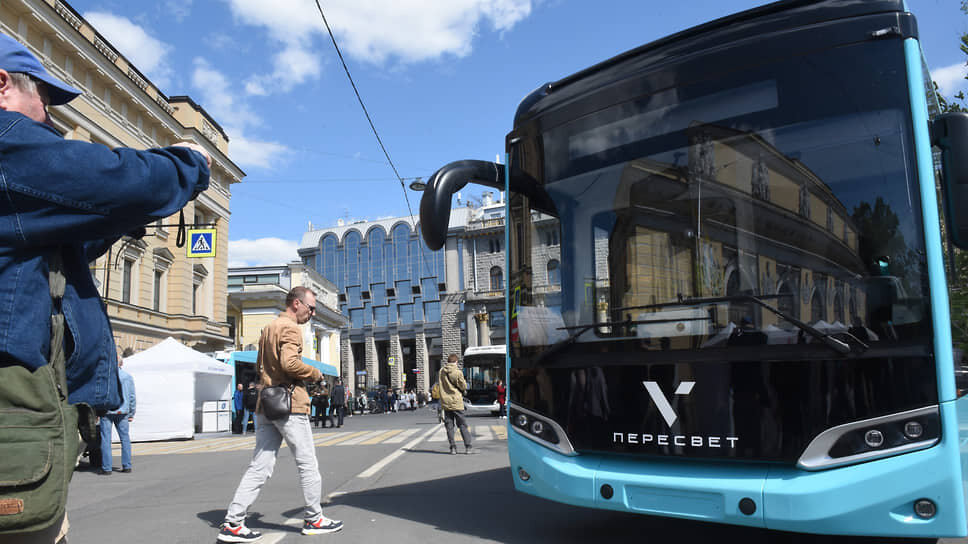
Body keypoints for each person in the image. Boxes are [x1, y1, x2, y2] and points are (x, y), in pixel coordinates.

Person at [0, 33, 211, 544]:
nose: (51, 120)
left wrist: (108, 220)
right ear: (1, 85)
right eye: (44, 101)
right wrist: (188, 160)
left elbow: (59, 255)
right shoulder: (6, 144)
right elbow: (130, 181)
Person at [218, 287, 343, 542]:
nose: (312, 313)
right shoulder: (289, 328)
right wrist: (316, 374)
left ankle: (233, 521)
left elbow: (262, 365)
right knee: (308, 463)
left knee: (260, 466)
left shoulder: (268, 328)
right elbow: (290, 364)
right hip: (289, 405)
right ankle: (314, 518)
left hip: (266, 404)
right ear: (296, 303)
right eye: (310, 308)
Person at [98, 357, 136, 474]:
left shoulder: (105, 377)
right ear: (122, 363)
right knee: (125, 439)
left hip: (107, 411)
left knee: (106, 440)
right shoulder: (128, 377)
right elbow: (132, 397)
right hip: (123, 411)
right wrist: (131, 412)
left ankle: (107, 468)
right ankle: (126, 466)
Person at [438, 354, 473, 454]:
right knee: (462, 424)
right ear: (456, 361)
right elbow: (463, 386)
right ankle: (468, 447)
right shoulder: (457, 372)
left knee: (449, 426)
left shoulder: (441, 371)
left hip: (446, 401)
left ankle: (453, 447)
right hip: (456, 402)